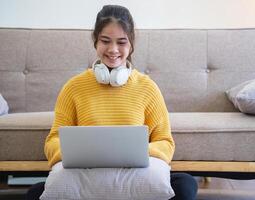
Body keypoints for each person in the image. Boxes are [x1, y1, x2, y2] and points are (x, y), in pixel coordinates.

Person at [26, 5, 198, 200]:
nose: (113, 50)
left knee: (185, 184)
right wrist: (82, 153)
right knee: (35, 193)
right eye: (105, 41)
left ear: (131, 44)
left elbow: (165, 142)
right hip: (88, 172)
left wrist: (135, 153)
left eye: (121, 42)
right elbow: (53, 140)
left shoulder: (147, 87)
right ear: (95, 42)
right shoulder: (73, 87)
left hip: (133, 173)